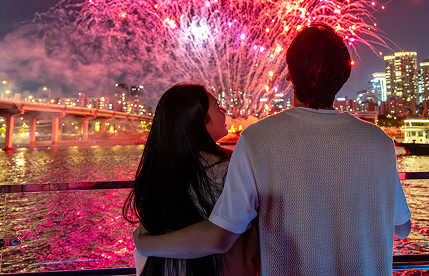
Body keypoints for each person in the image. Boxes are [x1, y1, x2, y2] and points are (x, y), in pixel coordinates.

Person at [134, 24, 411, 275]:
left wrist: (146, 244)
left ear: (290, 75)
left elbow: (222, 237)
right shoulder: (379, 142)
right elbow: (403, 227)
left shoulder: (257, 139)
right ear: (342, 78)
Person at [123, 83, 258, 276]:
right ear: (201, 121)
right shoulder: (228, 170)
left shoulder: (160, 172)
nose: (225, 111)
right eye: (218, 107)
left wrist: (146, 244)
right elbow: (221, 238)